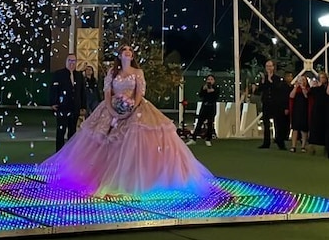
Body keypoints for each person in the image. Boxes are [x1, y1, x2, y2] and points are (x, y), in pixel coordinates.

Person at [41, 45, 214, 196]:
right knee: (102, 141)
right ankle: (101, 176)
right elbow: (107, 93)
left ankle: (134, 179)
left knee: (135, 141)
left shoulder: (138, 72)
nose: (128, 52)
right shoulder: (112, 72)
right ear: (119, 55)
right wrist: (112, 111)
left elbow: (139, 94)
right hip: (111, 109)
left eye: (130, 50)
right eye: (125, 50)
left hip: (135, 109)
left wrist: (130, 109)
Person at [49, 54, 86, 151]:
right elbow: (53, 89)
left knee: (72, 131)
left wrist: (83, 106)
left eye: (74, 61)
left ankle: (70, 152)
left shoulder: (79, 75)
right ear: (66, 62)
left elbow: (82, 91)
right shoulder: (59, 74)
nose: (72, 63)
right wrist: (53, 102)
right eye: (70, 60)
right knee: (61, 130)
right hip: (62, 107)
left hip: (75, 107)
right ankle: (59, 151)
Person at [253, 60, 289, 150]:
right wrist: (261, 83)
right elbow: (259, 91)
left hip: (276, 104)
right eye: (267, 66)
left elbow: (279, 89)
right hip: (266, 104)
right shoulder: (263, 78)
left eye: (270, 66)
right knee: (266, 124)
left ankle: (280, 142)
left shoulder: (278, 79)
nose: (268, 68)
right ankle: (266, 143)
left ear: (273, 67)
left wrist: (270, 80)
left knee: (278, 124)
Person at [187, 74, 219, 146]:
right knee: (199, 123)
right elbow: (201, 95)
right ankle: (193, 139)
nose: (210, 81)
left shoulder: (216, 88)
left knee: (210, 124)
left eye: (211, 79)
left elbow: (216, 97)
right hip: (204, 107)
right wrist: (204, 90)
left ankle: (208, 139)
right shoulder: (204, 87)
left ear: (214, 81)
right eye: (208, 79)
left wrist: (212, 91)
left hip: (211, 107)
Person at [288, 75, 309, 153]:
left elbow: (306, 96)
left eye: (303, 80)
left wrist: (303, 87)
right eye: (300, 80)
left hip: (305, 110)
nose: (301, 81)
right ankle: (293, 146)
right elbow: (291, 96)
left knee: (304, 129)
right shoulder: (296, 89)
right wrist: (296, 87)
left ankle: (303, 146)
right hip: (296, 110)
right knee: (295, 128)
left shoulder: (307, 88)